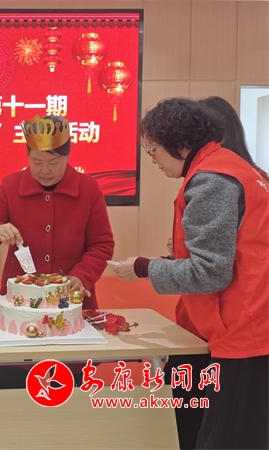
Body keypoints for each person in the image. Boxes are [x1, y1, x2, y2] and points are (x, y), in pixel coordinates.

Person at [114, 98, 268, 449]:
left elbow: (210, 272)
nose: (152, 160)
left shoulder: (212, 180)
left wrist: (142, 267)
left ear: (181, 143)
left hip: (244, 332)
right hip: (248, 325)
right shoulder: (236, 168)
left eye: (153, 150)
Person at [0, 115, 115, 389]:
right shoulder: (12, 185)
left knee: (69, 389)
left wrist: (82, 276)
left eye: (53, 162)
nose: (44, 170)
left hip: (70, 303)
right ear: (27, 155)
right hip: (21, 309)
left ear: (67, 156)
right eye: (36, 162)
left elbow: (102, 244)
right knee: (14, 389)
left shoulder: (88, 188)